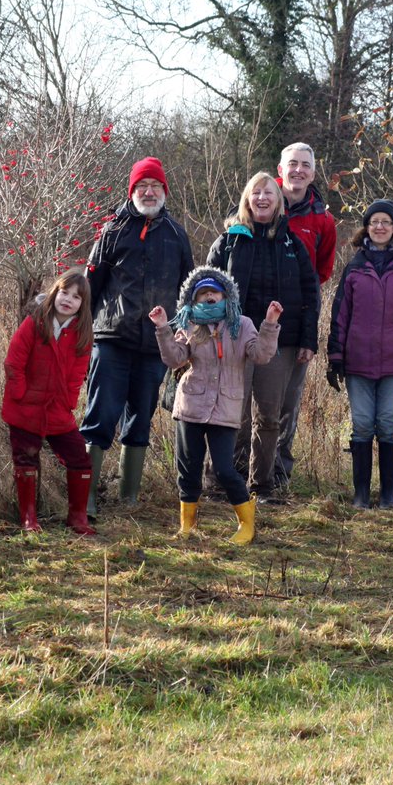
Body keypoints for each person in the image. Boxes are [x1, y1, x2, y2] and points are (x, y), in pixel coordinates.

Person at [81, 157, 194, 514]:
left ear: (164, 191)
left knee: (141, 419)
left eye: (155, 186)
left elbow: (187, 290)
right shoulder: (111, 230)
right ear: (132, 191)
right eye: (142, 186)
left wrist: (183, 337)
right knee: (100, 417)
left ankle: (128, 498)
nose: (149, 192)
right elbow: (90, 285)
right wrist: (83, 335)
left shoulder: (177, 235)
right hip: (111, 339)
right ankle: (87, 497)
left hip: (154, 346)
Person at [206, 171, 320, 503]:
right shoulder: (228, 240)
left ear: (279, 201)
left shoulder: (292, 244)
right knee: (230, 413)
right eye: (255, 192)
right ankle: (222, 481)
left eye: (268, 192)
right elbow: (204, 287)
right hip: (232, 339)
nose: (262, 198)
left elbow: (311, 294)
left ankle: (262, 485)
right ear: (246, 199)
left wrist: (308, 341)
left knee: (269, 416)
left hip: (278, 343)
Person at [150, 268, 282, 545]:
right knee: (188, 468)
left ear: (225, 295)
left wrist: (270, 324)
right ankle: (187, 526)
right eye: (202, 293)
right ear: (194, 299)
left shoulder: (242, 324)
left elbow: (260, 355)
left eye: (214, 292)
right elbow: (175, 359)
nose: (209, 296)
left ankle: (247, 525)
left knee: (224, 468)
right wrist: (163, 328)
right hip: (191, 405)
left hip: (225, 407)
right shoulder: (188, 323)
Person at [327, 200, 393, 509]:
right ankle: (360, 495)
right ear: (366, 227)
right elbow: (340, 315)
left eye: (386, 221)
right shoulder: (355, 268)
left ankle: (388, 495)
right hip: (357, 362)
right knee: (361, 424)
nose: (380, 226)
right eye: (374, 222)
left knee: (386, 423)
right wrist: (335, 358)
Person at [1, 271, 97, 536]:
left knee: (79, 457)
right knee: (26, 458)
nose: (68, 300)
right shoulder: (35, 323)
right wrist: (20, 394)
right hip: (25, 407)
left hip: (57, 409)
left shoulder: (82, 333)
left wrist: (68, 400)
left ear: (82, 303)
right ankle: (29, 519)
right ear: (55, 292)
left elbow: (78, 373)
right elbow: (14, 361)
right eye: (65, 292)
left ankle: (77, 518)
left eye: (76, 297)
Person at [274, 143, 337, 488]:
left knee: (287, 402)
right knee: (242, 400)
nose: (298, 170)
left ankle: (278, 473)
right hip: (253, 320)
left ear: (313, 173)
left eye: (305, 166)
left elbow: (321, 273)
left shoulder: (323, 220)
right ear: (280, 169)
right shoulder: (259, 202)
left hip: (297, 324)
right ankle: (236, 471)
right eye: (292, 164)